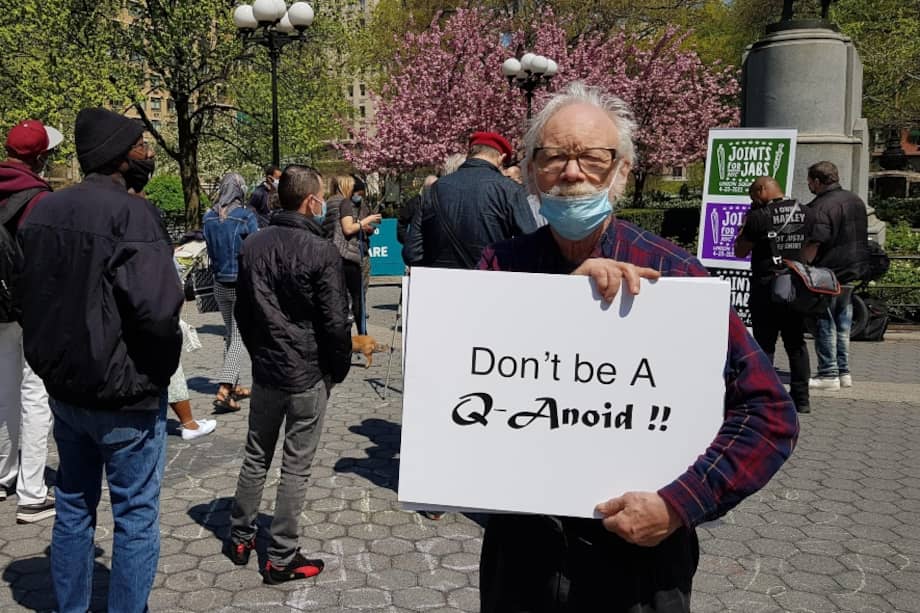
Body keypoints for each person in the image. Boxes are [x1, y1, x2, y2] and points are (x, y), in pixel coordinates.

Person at [475, 82, 799, 612]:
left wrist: (679, 504)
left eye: (593, 158)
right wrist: (559, 302)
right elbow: (459, 388)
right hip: (522, 561)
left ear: (622, 172)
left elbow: (768, 413)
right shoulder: (498, 267)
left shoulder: (676, 275)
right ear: (530, 172)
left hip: (637, 567)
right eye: (554, 156)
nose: (572, 172)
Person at [17, 108, 183, 611]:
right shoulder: (133, 214)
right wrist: (158, 372)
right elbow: (158, 311)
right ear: (117, 155)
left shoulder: (44, 210)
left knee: (73, 505)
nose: (147, 154)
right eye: (140, 145)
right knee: (134, 515)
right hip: (123, 394)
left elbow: (32, 298)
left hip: (68, 390)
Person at [226, 164, 351, 584]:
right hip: (304, 371)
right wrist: (337, 368)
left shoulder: (254, 244)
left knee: (256, 455)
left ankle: (240, 535)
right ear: (311, 201)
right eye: (319, 197)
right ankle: (280, 555)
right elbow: (336, 321)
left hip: (269, 369)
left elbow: (243, 312)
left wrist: (260, 351)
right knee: (295, 466)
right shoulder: (320, 250)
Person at [0, 119, 61, 523]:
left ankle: (3, 474)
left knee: (3, 391)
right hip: (30, 308)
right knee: (35, 394)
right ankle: (32, 492)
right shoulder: (37, 199)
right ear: (40, 157)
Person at [734, 176, 813, 414]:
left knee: (765, 344)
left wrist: (743, 227)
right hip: (796, 287)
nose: (754, 201)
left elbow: (740, 251)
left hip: (766, 286)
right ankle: (802, 399)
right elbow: (813, 246)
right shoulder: (806, 211)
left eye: (754, 197)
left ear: (761, 190)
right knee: (796, 343)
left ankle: (765, 397)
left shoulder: (758, 217)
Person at [402, 131, 536, 269]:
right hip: (491, 283)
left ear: (470, 154)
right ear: (501, 158)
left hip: (441, 285)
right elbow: (532, 248)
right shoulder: (510, 190)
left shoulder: (434, 189)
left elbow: (412, 253)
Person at [802, 161, 870, 391]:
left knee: (824, 321)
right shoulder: (855, 200)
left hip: (828, 272)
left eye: (810, 181)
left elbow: (816, 241)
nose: (809, 184)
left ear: (818, 181)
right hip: (854, 268)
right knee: (843, 322)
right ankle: (843, 372)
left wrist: (803, 264)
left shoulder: (820, 206)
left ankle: (828, 373)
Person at [202, 173, 259, 411]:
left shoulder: (208, 217)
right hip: (240, 284)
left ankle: (233, 385)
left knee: (229, 333)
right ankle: (225, 389)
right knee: (238, 337)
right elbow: (257, 248)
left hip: (219, 284)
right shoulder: (245, 216)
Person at [339, 175, 381, 334]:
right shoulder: (344, 205)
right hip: (349, 252)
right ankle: (350, 316)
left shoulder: (363, 205)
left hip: (363, 249)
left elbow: (374, 223)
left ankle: (361, 319)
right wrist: (359, 225)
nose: (360, 197)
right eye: (358, 193)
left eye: (362, 194)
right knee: (349, 291)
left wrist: (369, 227)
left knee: (362, 288)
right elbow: (347, 228)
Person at [396, 175, 437, 244]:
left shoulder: (442, 201)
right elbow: (402, 222)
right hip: (418, 245)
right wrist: (408, 241)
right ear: (425, 187)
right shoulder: (414, 203)